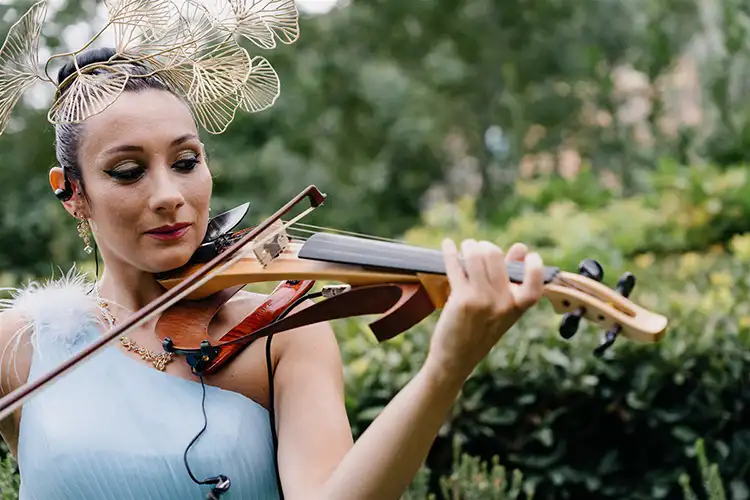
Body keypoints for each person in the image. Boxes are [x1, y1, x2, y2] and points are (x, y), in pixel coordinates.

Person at [0, 2, 546, 499]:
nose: (169, 196)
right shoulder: (21, 347)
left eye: (187, 162)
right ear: (72, 193)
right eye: (127, 171)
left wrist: (446, 369)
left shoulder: (283, 337)